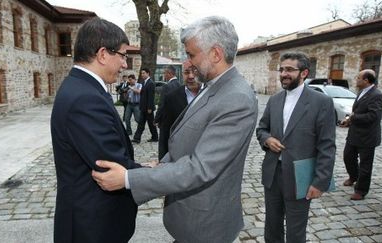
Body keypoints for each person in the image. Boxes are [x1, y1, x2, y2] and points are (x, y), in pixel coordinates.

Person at [91, 16, 258, 243]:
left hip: (205, 227)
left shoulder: (236, 97)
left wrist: (129, 179)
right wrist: (161, 165)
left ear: (216, 54)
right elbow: (188, 141)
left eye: (191, 54)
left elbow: (200, 167)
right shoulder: (213, 86)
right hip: (190, 221)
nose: (188, 62)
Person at [50, 17, 141, 243]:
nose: (124, 64)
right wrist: (159, 174)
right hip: (91, 227)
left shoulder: (83, 88)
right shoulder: (85, 98)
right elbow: (110, 164)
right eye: (122, 55)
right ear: (102, 54)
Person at [256, 52, 336, 243]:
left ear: (304, 73)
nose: (284, 73)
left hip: (300, 177)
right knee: (272, 225)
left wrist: (319, 182)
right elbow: (262, 129)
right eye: (282, 69)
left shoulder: (321, 102)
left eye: (290, 70)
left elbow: (327, 145)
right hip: (273, 174)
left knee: (295, 231)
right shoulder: (274, 100)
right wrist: (267, 140)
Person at [339, 69, 382, 200]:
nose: (356, 79)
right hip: (354, 134)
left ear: (366, 80)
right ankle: (353, 176)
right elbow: (358, 111)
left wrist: (353, 117)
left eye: (358, 77)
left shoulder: (376, 95)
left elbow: (374, 116)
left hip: (367, 137)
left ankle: (361, 190)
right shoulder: (362, 92)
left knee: (365, 165)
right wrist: (348, 121)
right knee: (348, 157)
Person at [156, 61, 201, 160]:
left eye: (195, 72)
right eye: (186, 72)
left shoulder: (212, 94)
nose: (191, 76)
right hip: (180, 158)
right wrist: (163, 162)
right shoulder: (172, 98)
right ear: (182, 74)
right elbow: (165, 133)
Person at [132, 68, 159, 143]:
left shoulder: (151, 83)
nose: (142, 75)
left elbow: (151, 97)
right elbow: (142, 94)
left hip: (148, 108)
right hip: (143, 107)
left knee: (151, 124)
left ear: (148, 73)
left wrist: (150, 108)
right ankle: (137, 138)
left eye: (144, 73)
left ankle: (155, 137)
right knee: (141, 123)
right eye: (141, 73)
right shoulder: (144, 82)